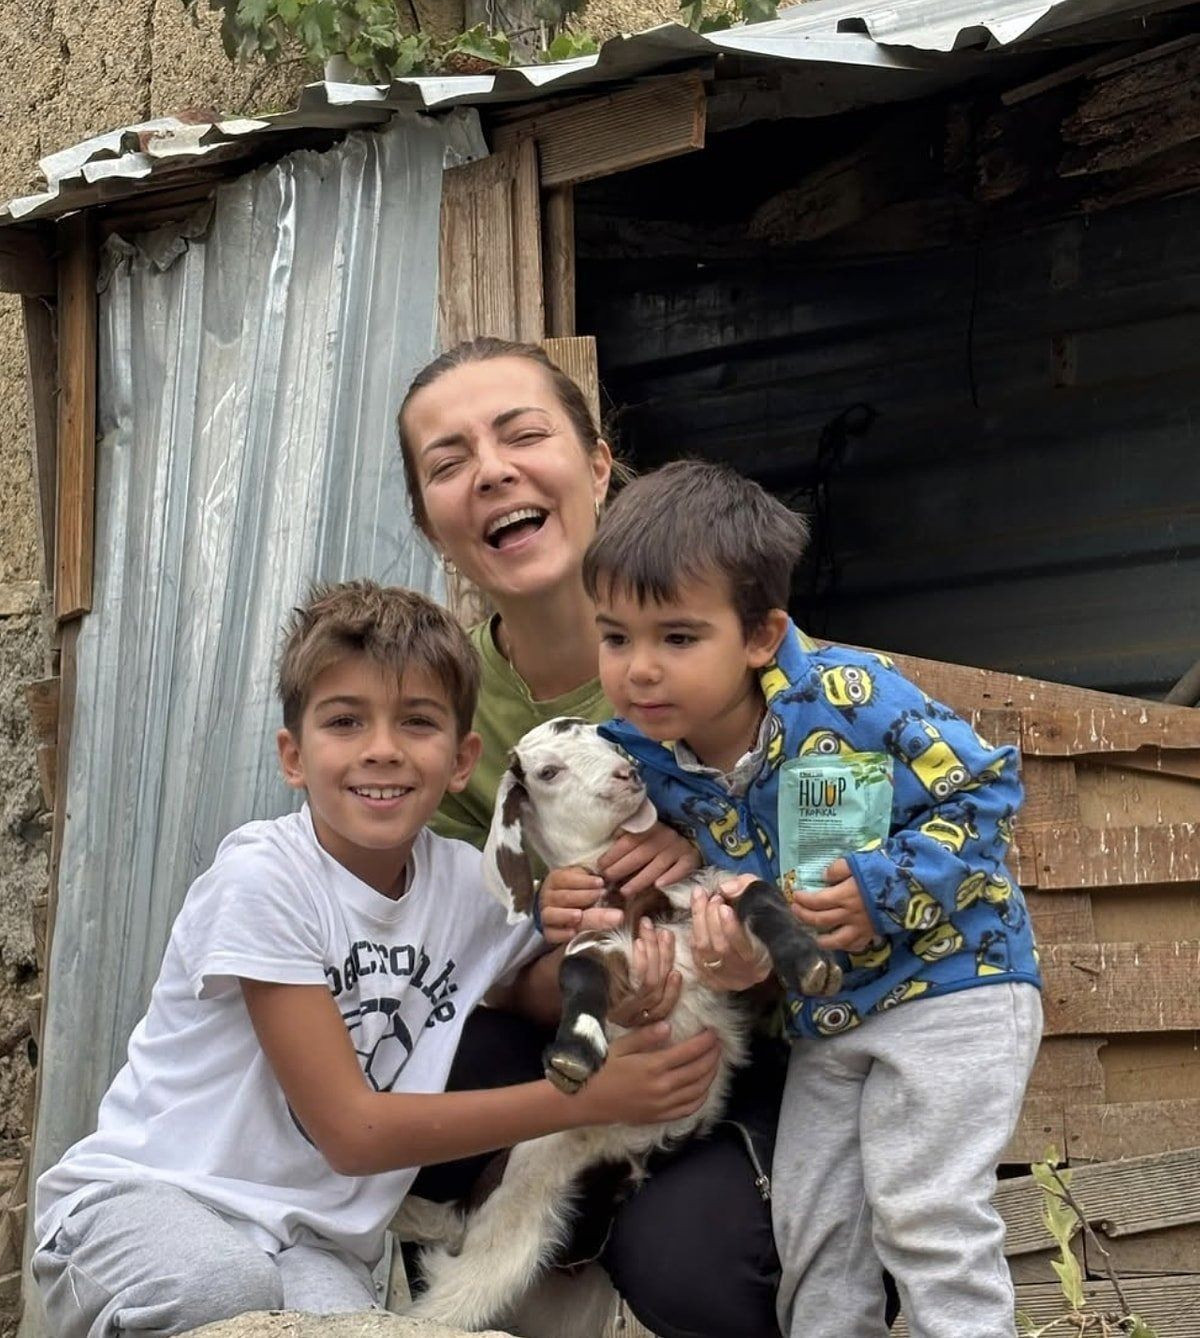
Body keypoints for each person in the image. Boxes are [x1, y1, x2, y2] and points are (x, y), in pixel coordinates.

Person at [32, 581, 720, 1338]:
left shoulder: (467, 884)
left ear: (462, 760)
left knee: (358, 1326)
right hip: (152, 1201)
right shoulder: (265, 878)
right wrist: (587, 1099)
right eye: (346, 721)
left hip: (313, 1238)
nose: (382, 748)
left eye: (416, 721)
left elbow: (532, 989)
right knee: (224, 1289)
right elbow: (349, 1132)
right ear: (293, 756)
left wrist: (632, 938)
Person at [582, 459, 1044, 1338]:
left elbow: (984, 792)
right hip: (828, 1020)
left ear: (760, 635)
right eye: (615, 638)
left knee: (925, 1210)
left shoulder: (850, 695)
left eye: (677, 638)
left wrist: (883, 888)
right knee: (816, 1228)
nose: (639, 671)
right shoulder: (641, 760)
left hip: (955, 987)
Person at [396, 339, 790, 1338]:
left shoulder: (729, 649)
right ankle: (533, 1234)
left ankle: (598, 1233)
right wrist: (564, 957)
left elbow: (841, 906)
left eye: (523, 435)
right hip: (566, 1043)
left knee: (710, 1278)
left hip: (733, 1049)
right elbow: (457, 958)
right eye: (448, 462)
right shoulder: (440, 717)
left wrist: (713, 885)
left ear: (601, 465)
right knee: (405, 1081)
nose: (491, 470)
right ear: (430, 524)